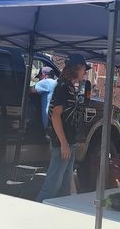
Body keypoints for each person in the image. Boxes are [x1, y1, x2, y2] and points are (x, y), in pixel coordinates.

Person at [36, 55, 90, 202]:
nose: (85, 73)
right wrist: (63, 143)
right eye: (84, 70)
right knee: (53, 184)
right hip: (62, 143)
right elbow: (55, 115)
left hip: (69, 142)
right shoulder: (62, 88)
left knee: (65, 185)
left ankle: (61, 213)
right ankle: (38, 209)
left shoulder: (71, 88)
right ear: (76, 68)